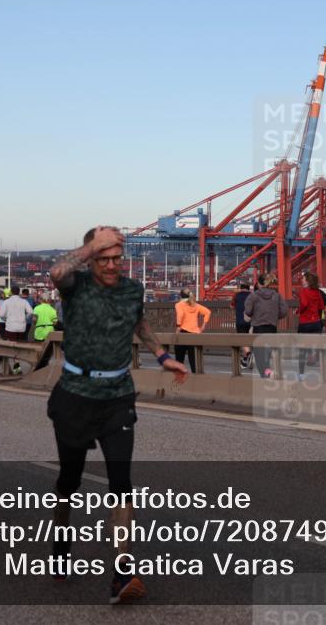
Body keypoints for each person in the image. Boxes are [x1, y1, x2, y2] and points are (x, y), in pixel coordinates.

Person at [47, 225, 187, 604]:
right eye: (104, 258)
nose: (112, 265)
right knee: (68, 483)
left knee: (122, 484)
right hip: (75, 395)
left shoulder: (131, 289)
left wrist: (162, 355)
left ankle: (122, 573)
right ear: (92, 256)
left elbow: (138, 321)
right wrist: (91, 245)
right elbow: (56, 272)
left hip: (118, 396)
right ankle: (60, 545)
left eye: (116, 257)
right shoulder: (75, 285)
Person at [243, 273, 288, 379]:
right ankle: (267, 372)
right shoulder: (276, 295)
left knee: (259, 355)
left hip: (258, 327)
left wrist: (252, 314)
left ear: (258, 283)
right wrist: (276, 316)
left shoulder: (254, 295)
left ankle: (265, 374)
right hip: (272, 327)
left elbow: (248, 311)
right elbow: (284, 310)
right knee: (267, 353)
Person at [295, 272, 326, 380]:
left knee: (302, 350)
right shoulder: (317, 292)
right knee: (318, 347)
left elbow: (304, 304)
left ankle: (301, 374)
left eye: (303, 279)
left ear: (307, 281)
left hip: (305, 323)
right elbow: (321, 306)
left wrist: (298, 311)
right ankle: (323, 373)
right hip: (316, 323)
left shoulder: (304, 291)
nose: (301, 280)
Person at [173, 288, 211, 373]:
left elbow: (180, 314)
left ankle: (179, 380)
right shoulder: (196, 305)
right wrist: (203, 325)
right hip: (194, 334)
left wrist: (178, 327)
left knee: (179, 360)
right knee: (194, 361)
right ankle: (196, 380)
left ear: (180, 296)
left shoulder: (179, 305)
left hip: (183, 333)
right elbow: (208, 312)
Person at [230, 283, 253, 369]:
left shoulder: (236, 295)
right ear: (248, 288)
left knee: (242, 341)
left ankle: (248, 355)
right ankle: (245, 361)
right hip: (252, 321)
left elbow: (231, 306)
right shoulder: (252, 295)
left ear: (241, 288)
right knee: (248, 340)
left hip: (240, 321)